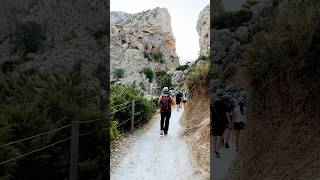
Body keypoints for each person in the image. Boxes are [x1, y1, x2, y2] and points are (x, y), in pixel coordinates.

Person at [211, 89, 231, 158]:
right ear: (222, 96)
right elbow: (227, 115)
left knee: (214, 136)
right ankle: (217, 151)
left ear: (216, 96)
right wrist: (230, 123)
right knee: (219, 136)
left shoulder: (212, 105)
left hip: (214, 122)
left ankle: (215, 148)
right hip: (221, 123)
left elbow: (210, 115)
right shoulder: (224, 105)